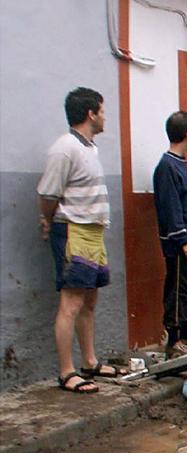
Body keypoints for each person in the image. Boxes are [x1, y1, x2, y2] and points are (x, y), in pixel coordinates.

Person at [37, 87, 114, 393]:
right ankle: (67, 372)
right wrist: (48, 219)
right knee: (71, 302)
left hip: (94, 232)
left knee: (90, 301)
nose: (105, 117)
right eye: (103, 111)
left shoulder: (89, 148)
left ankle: (90, 362)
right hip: (73, 230)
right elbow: (47, 194)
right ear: (90, 114)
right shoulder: (64, 148)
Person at [153, 111, 187, 358]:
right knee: (177, 289)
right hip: (180, 243)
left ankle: (186, 331)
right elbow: (171, 207)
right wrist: (183, 238)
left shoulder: (182, 164)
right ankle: (173, 339)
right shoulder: (167, 167)